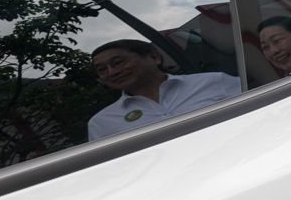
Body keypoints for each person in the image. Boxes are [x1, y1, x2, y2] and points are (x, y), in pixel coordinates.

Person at [87, 39, 242, 141]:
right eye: (102, 69)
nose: (112, 72)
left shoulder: (215, 82)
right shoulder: (101, 123)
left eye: (117, 62)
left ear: (154, 57)